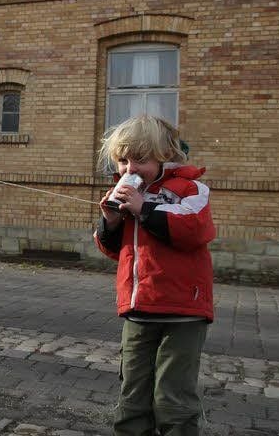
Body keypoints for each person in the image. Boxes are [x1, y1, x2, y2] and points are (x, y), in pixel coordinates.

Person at [93, 115, 215, 436]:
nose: (130, 168)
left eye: (140, 159)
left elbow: (194, 229)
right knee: (132, 393)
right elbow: (116, 250)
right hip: (138, 309)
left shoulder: (190, 188)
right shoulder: (127, 193)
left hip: (183, 312)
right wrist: (111, 222)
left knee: (173, 396)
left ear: (165, 155)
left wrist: (144, 209)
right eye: (122, 160)